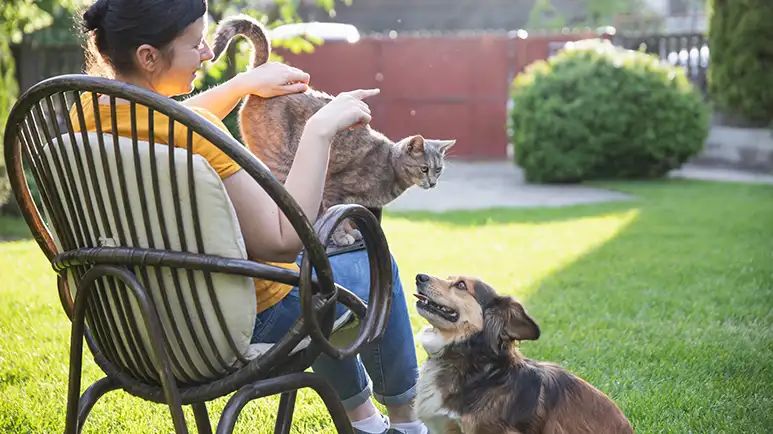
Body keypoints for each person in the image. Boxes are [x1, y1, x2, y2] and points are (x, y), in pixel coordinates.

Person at [73, 1, 427, 433]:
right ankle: (407, 423)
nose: (207, 53)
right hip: (239, 325)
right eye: (195, 44)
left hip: (135, 325)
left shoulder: (88, 114)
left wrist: (243, 84)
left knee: (319, 282)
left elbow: (173, 120)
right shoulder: (199, 136)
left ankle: (364, 422)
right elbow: (281, 240)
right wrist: (320, 129)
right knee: (370, 263)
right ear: (149, 56)